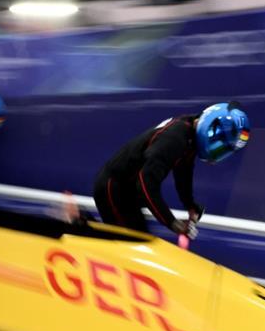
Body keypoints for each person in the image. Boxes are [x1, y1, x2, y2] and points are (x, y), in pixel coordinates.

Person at [92, 101, 250, 238]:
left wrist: (190, 205)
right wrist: (171, 222)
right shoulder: (175, 138)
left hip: (128, 192)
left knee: (139, 241)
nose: (217, 150)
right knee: (127, 246)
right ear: (210, 127)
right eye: (218, 144)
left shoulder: (190, 135)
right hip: (113, 188)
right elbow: (145, 183)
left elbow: (183, 173)